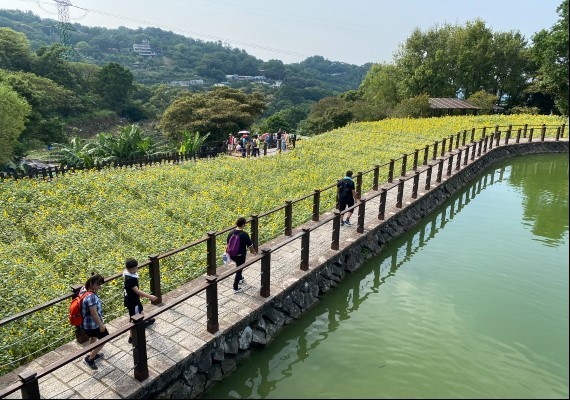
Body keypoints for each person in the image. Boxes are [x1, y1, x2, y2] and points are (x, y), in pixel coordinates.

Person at [123, 258, 158, 344]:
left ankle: (145, 321)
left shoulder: (126, 273)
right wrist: (150, 296)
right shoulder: (130, 280)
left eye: (136, 268)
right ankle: (132, 337)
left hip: (133, 299)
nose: (135, 270)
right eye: (133, 269)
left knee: (140, 310)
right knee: (134, 318)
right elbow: (137, 291)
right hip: (132, 301)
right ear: (128, 269)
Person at [80, 273, 108, 370]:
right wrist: (101, 325)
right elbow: (94, 313)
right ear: (91, 283)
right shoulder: (91, 297)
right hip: (93, 324)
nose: (99, 287)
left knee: (93, 337)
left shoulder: (83, 290)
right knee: (105, 338)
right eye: (98, 285)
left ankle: (91, 353)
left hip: (86, 324)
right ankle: (90, 359)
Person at [227, 217, 256, 293]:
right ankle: (235, 288)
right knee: (239, 270)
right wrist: (253, 252)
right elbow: (250, 245)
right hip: (240, 256)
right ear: (243, 224)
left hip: (232, 255)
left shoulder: (231, 232)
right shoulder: (244, 234)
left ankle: (240, 279)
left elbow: (228, 244)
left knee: (238, 267)